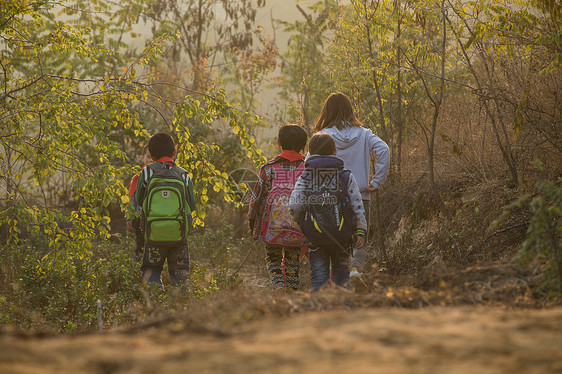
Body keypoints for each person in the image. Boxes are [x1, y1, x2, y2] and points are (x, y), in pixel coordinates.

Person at [314, 92, 390, 277]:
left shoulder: (322, 136)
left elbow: (310, 163)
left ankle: (340, 276)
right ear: (350, 110)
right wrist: (376, 181)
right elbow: (384, 149)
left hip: (331, 197)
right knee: (360, 235)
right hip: (361, 193)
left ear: (327, 111)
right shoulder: (364, 134)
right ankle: (355, 269)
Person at [290, 133, 367, 292]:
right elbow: (357, 206)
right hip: (342, 236)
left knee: (319, 275)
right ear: (334, 152)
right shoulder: (345, 176)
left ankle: (320, 310)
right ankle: (341, 308)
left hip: (315, 237)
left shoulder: (306, 176)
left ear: (310, 153)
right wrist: (361, 231)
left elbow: (295, 204)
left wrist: (299, 224)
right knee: (341, 273)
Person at [248, 124, 308, 294]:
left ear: (279, 143)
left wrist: (252, 220)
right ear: (303, 145)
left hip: (272, 227)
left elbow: (257, 199)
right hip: (298, 228)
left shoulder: (268, 168)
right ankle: (292, 295)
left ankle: (278, 286)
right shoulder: (308, 169)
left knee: (273, 259)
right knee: (292, 264)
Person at [135, 132, 196, 287]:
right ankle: (180, 307)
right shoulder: (183, 174)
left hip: (153, 232)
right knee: (180, 275)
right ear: (174, 153)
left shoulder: (147, 172)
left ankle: (156, 302)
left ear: (152, 155)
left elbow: (140, 200)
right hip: (178, 234)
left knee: (151, 270)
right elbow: (192, 204)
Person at [127, 144, 151, 258]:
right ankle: (138, 268)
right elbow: (132, 198)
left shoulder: (159, 177)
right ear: (142, 158)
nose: (151, 160)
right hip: (139, 217)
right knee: (140, 243)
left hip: (153, 218)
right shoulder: (137, 177)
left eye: (153, 157)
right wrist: (129, 216)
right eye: (148, 157)